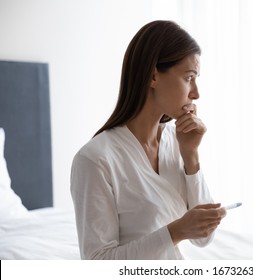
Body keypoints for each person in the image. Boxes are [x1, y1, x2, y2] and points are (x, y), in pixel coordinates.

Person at [70, 20, 226, 260]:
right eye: (189, 78)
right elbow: (97, 262)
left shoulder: (177, 142)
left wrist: (191, 156)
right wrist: (177, 231)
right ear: (153, 76)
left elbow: (203, 238)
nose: (196, 93)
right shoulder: (95, 159)